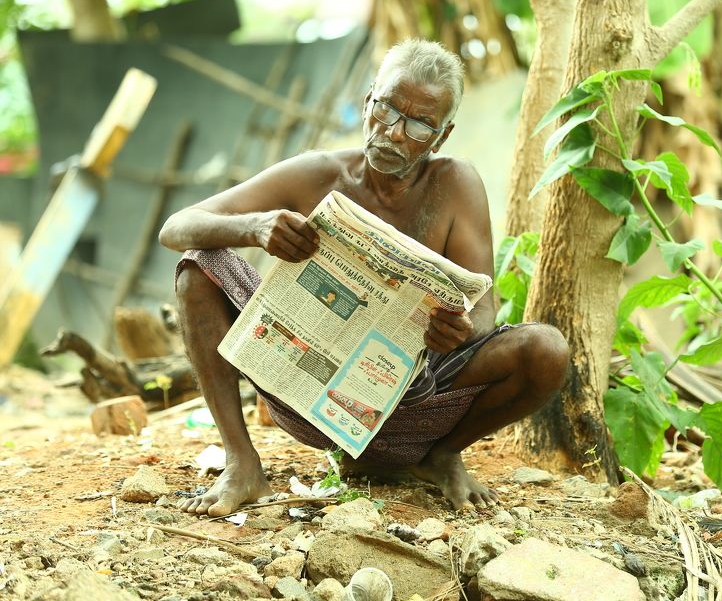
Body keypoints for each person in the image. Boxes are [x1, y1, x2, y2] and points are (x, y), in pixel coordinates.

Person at [159, 39, 569, 514]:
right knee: (197, 268)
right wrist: (255, 226)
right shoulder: (318, 172)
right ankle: (241, 462)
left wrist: (460, 331)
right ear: (367, 101)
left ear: (442, 136)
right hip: (307, 395)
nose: (394, 132)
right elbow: (177, 226)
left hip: (417, 400)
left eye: (419, 124)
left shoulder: (455, 183)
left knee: (546, 350)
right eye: (388, 108)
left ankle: (442, 456)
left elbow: (482, 309)